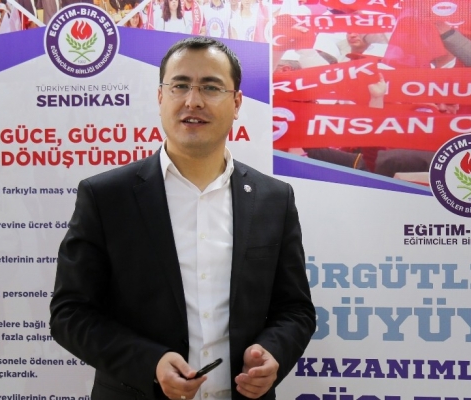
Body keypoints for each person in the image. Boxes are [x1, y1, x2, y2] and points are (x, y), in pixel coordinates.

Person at [50, 36, 316, 400]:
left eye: (211, 87)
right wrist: (151, 363)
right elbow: (70, 313)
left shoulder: (274, 199)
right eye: (179, 86)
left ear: (237, 103)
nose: (193, 101)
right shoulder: (106, 197)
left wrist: (273, 352)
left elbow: (295, 309)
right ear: (161, 97)